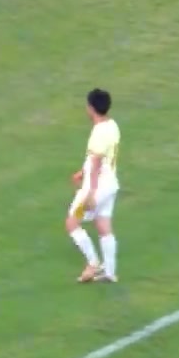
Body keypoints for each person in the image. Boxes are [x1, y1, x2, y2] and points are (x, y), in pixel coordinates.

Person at [67, 88, 121, 283]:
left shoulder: (98, 132)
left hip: (96, 189)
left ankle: (93, 263)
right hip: (110, 185)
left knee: (72, 223)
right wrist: (82, 171)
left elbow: (97, 162)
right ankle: (110, 272)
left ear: (91, 108)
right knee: (103, 224)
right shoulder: (112, 125)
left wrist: (90, 192)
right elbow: (100, 158)